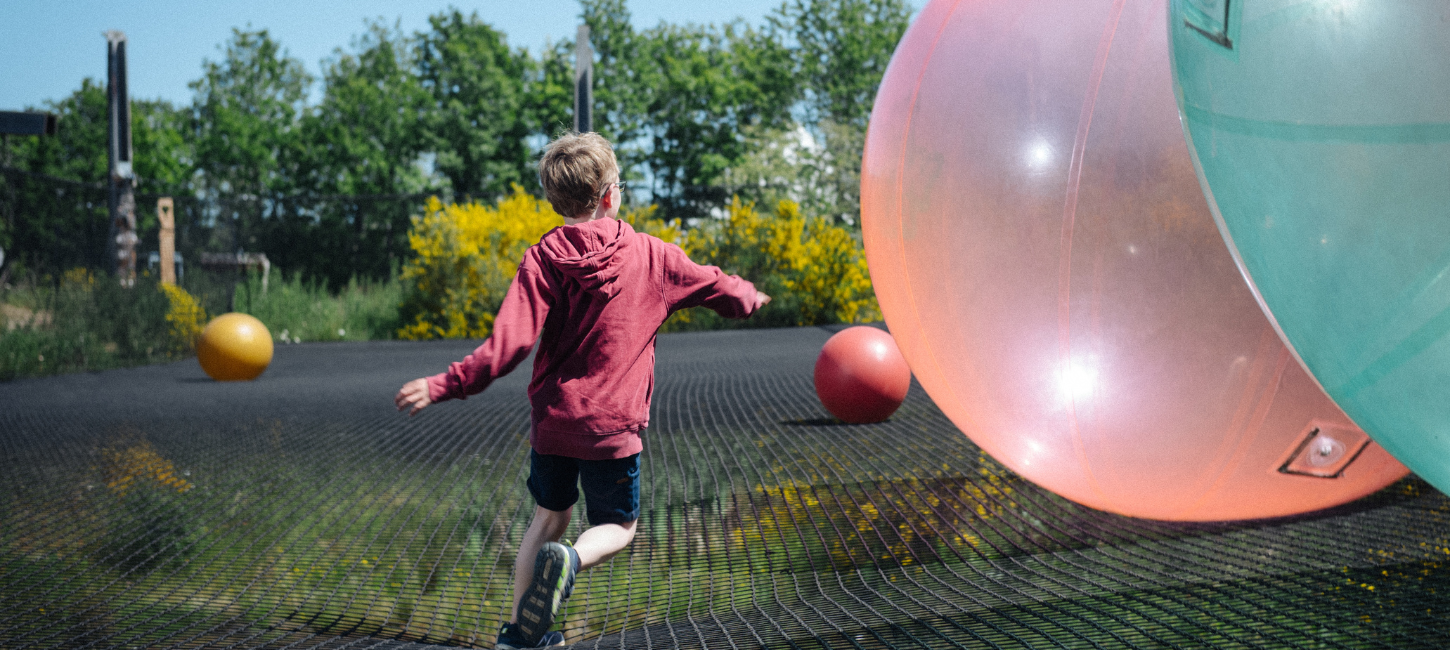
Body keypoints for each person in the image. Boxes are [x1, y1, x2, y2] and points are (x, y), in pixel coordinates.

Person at [394, 132, 770, 649]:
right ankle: (571, 560)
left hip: (553, 422)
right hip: (612, 428)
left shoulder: (543, 258)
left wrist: (444, 384)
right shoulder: (653, 256)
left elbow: (508, 346)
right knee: (618, 526)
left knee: (547, 518)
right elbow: (716, 286)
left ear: (554, 200)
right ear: (612, 195)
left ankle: (517, 637)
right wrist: (749, 296)